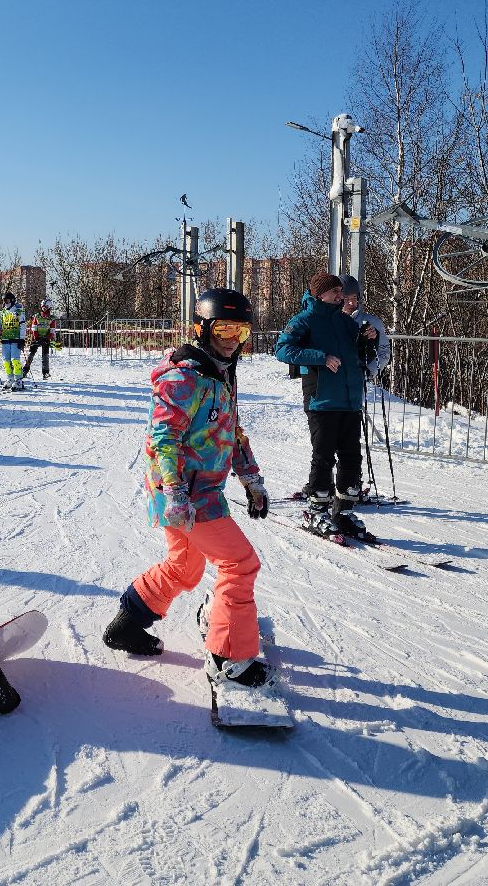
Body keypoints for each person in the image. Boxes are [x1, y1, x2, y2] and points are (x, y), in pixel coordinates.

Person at [102, 288, 274, 690]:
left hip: (196, 491)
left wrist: (250, 478)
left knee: (186, 567)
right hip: (187, 494)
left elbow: (232, 434)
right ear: (203, 328)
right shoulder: (185, 377)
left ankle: (127, 624)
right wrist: (176, 492)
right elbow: (162, 437)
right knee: (240, 563)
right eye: (225, 328)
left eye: (242, 330)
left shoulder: (219, 373)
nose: (233, 338)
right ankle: (229, 659)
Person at [273, 272, 377, 535]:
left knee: (352, 456)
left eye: (341, 292)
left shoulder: (345, 322)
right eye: (336, 292)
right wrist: (320, 357)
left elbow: (360, 353)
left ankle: (343, 511)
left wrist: (367, 340)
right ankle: (316, 510)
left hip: (351, 400)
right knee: (323, 456)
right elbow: (282, 349)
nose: (341, 296)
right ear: (321, 294)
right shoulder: (304, 320)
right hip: (321, 400)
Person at [340, 275, 391, 380]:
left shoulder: (372, 323)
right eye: (346, 298)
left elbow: (384, 352)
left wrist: (368, 372)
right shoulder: (330, 322)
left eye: (354, 298)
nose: (351, 303)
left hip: (360, 383)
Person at [0, 292, 26, 390]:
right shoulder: (2, 313)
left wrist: (22, 339)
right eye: (4, 301)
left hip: (16, 340)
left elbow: (22, 325)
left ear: (12, 301)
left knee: (15, 360)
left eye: (7, 301)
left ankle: (18, 380)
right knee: (6, 361)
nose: (5, 303)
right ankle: (10, 378)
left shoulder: (18, 311)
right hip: (5, 340)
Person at [22, 299, 57, 380]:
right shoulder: (37, 316)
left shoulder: (51, 318)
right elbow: (34, 327)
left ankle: (46, 372)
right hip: (36, 337)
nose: (44, 308)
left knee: (45, 356)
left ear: (49, 307)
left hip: (46, 338)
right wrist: (36, 337)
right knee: (31, 354)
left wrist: (48, 337)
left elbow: (52, 330)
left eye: (46, 307)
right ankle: (25, 370)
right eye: (43, 307)